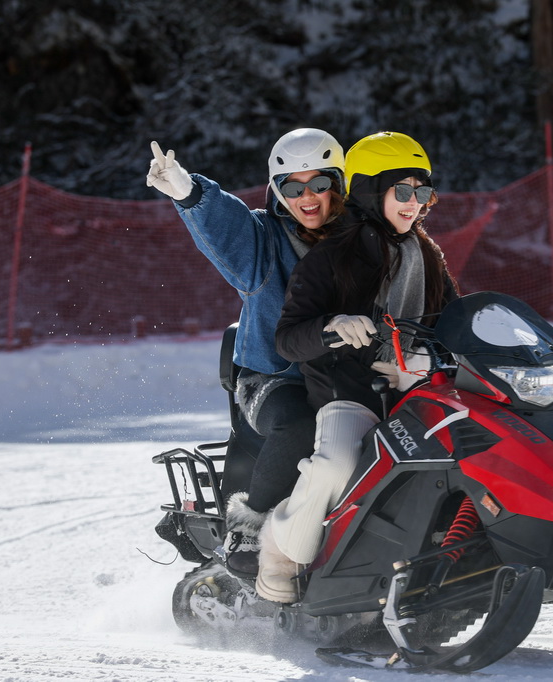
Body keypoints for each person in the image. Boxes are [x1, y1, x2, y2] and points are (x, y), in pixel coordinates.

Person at [262, 131, 459, 602]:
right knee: (338, 466)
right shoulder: (332, 255)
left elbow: (454, 315)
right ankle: (278, 555)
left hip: (413, 388)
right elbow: (289, 338)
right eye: (403, 191)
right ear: (371, 190)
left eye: (423, 192)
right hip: (346, 389)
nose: (415, 204)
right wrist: (334, 325)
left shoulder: (424, 253)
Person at [145, 129, 345, 583]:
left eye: (319, 183)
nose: (307, 197)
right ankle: (248, 530)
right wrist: (188, 191)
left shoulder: (355, 241)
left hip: (343, 377)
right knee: (300, 423)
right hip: (273, 379)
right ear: (277, 191)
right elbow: (226, 226)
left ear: (339, 184)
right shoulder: (264, 241)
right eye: (292, 187)